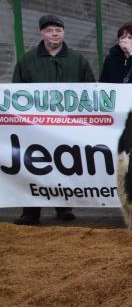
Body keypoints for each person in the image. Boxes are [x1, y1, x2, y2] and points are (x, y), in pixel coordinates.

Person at [11, 14, 95, 226]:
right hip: (36, 126)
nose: (54, 33)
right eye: (49, 30)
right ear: (42, 34)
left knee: (65, 163)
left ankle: (63, 206)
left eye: (58, 30)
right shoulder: (28, 61)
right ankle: (30, 211)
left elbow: (91, 91)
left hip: (68, 126)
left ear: (63, 33)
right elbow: (16, 92)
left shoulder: (78, 60)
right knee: (32, 165)